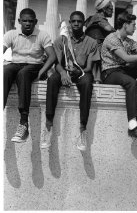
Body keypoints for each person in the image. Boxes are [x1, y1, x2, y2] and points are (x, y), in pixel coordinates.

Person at [40, 11, 100, 151]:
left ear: (84, 23)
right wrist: (62, 73)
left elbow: (89, 67)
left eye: (79, 21)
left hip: (82, 72)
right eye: (73, 21)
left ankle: (83, 129)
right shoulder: (61, 40)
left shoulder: (91, 42)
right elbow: (56, 62)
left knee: (86, 83)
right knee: (52, 80)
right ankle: (48, 125)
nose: (76, 24)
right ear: (70, 23)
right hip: (64, 71)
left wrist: (79, 71)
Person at [3, 8, 56, 143]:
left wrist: (42, 71)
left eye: (31, 21)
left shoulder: (42, 35)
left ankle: (24, 123)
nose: (27, 24)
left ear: (35, 22)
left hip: (34, 66)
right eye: (25, 21)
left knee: (24, 73)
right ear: (19, 21)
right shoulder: (11, 34)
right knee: (6, 71)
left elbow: (52, 56)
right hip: (16, 63)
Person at [84, 0, 116, 83]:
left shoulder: (93, 17)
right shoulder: (99, 17)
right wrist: (117, 33)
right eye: (110, 9)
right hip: (96, 45)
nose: (112, 11)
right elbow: (108, 28)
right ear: (104, 9)